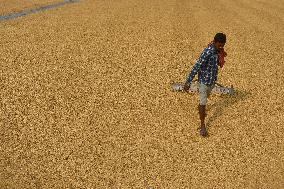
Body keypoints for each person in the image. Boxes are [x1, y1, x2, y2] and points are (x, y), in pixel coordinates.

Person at [184, 33, 227, 137]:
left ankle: (200, 109)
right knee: (203, 103)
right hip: (203, 82)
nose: (221, 47)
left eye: (222, 45)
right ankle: (203, 126)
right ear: (215, 42)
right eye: (219, 45)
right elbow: (197, 66)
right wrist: (188, 82)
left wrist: (221, 54)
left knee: (204, 100)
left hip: (211, 82)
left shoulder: (218, 51)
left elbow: (217, 65)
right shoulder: (207, 52)